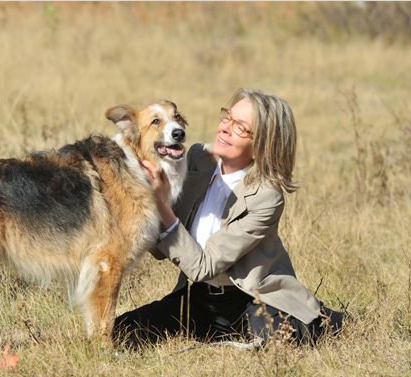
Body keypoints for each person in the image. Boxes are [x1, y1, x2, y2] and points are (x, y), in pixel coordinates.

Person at [112, 88, 345, 349]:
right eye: (227, 118)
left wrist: (162, 206)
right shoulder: (197, 159)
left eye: (240, 128)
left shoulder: (266, 196)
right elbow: (158, 250)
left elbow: (203, 267)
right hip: (201, 299)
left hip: (253, 299)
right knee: (121, 331)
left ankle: (328, 321)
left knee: (277, 341)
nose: (225, 128)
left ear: (262, 145)